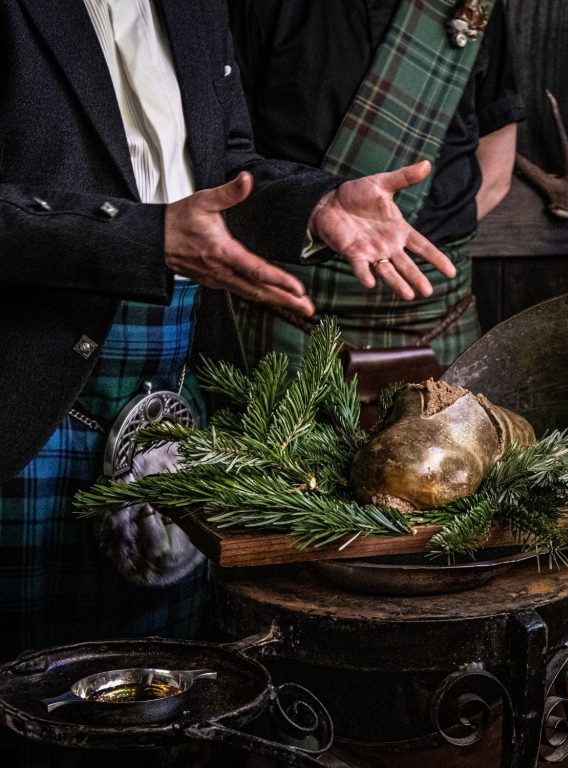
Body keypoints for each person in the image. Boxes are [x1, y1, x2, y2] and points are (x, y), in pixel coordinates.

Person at [0, 0, 455, 763]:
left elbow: (226, 171)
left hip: (172, 382)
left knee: (163, 695)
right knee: (25, 698)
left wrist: (314, 205)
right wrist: (145, 238)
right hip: (23, 395)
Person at [227, 0, 524, 373]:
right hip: (289, 304)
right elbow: (225, 159)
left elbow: (496, 167)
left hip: (436, 307)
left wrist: (407, 244)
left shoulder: (474, 6)